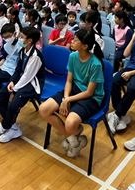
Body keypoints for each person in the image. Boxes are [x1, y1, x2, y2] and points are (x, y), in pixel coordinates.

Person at [39, 29, 105, 158]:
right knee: (44, 109)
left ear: (85, 46)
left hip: (91, 98)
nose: (72, 41)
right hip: (73, 90)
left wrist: (68, 100)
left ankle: (74, 131)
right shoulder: (73, 56)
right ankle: (74, 139)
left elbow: (89, 92)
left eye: (76, 40)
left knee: (70, 123)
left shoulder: (96, 64)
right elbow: (69, 81)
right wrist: (65, 98)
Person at [0, 26, 44, 143]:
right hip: (20, 81)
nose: (19, 38)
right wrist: (12, 81)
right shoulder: (23, 50)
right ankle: (13, 128)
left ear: (29, 41)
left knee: (13, 105)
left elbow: (28, 76)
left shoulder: (36, 56)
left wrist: (15, 89)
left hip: (32, 84)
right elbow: (18, 70)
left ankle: (4, 126)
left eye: (22, 37)